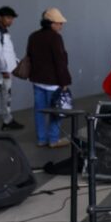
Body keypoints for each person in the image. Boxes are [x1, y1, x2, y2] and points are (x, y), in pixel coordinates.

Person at [27, 8, 72, 148]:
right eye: (59, 23)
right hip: (53, 82)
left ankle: (41, 139)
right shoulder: (55, 38)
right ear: (51, 23)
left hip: (37, 81)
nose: (61, 26)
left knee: (39, 111)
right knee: (56, 111)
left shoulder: (33, 36)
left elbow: (30, 57)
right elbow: (60, 62)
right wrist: (64, 82)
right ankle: (53, 140)